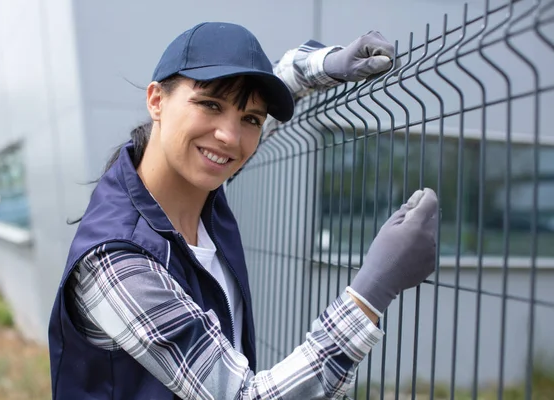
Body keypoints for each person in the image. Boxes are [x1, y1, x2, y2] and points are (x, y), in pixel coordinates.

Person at [48, 22, 438, 399]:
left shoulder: (195, 188)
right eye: (209, 105)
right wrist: (370, 295)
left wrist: (326, 65)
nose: (230, 137)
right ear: (156, 100)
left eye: (250, 120)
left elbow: (254, 103)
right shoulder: (119, 262)